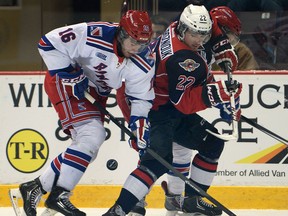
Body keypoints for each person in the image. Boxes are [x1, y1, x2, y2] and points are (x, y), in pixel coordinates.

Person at [9, 10, 155, 216]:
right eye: (133, 41)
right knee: (93, 135)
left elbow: (141, 97)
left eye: (142, 43)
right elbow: (47, 43)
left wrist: (139, 123)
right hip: (67, 83)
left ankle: (35, 187)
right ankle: (59, 196)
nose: (137, 48)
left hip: (96, 92)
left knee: (88, 148)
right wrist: (70, 73)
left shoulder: (143, 59)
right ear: (122, 33)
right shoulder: (93, 33)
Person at [103, 4, 242, 216]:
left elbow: (209, 29)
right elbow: (184, 103)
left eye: (203, 35)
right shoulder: (182, 59)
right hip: (155, 109)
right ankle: (120, 210)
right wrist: (217, 94)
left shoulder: (179, 27)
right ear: (184, 29)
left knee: (212, 144)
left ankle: (192, 199)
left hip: (162, 103)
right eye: (195, 34)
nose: (199, 39)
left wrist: (221, 44)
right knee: (157, 160)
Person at [210, 6, 259, 71]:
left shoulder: (240, 50)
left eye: (234, 34)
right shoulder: (198, 49)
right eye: (229, 33)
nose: (232, 39)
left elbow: (251, 77)